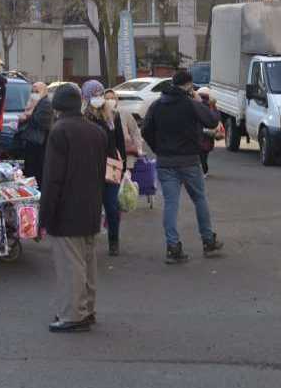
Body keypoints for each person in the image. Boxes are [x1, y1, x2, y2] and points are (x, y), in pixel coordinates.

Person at [39, 83, 107, 333]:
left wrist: (44, 215)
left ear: (57, 107)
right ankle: (87, 309)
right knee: (88, 263)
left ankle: (73, 315)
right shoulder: (97, 132)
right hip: (90, 206)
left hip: (66, 209)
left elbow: (53, 178)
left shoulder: (60, 132)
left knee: (71, 265)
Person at [141, 70, 224, 264]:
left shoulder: (156, 105)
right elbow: (212, 121)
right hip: (189, 161)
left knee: (171, 204)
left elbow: (146, 131)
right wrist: (203, 102)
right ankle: (208, 240)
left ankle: (173, 247)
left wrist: (158, 148)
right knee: (199, 199)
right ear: (188, 85)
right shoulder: (190, 104)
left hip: (165, 162)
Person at [82, 80, 127, 256]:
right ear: (86, 97)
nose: (99, 98)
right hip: (90, 168)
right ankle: (88, 241)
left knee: (112, 206)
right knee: (91, 207)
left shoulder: (113, 116)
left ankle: (114, 241)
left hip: (110, 167)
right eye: (94, 95)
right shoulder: (84, 117)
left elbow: (120, 143)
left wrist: (123, 166)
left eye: (100, 94)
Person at [17, 82, 53, 181]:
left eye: (37, 91)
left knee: (36, 172)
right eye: (32, 91)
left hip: (39, 144)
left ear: (44, 91)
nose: (34, 94)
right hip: (32, 142)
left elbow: (42, 122)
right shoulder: (34, 102)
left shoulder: (45, 103)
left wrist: (27, 117)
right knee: (30, 171)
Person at [196, 87, 221, 177]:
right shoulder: (212, 106)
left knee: (199, 155)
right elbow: (217, 118)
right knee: (204, 155)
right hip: (209, 135)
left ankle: (203, 171)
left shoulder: (197, 105)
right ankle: (204, 171)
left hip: (199, 134)